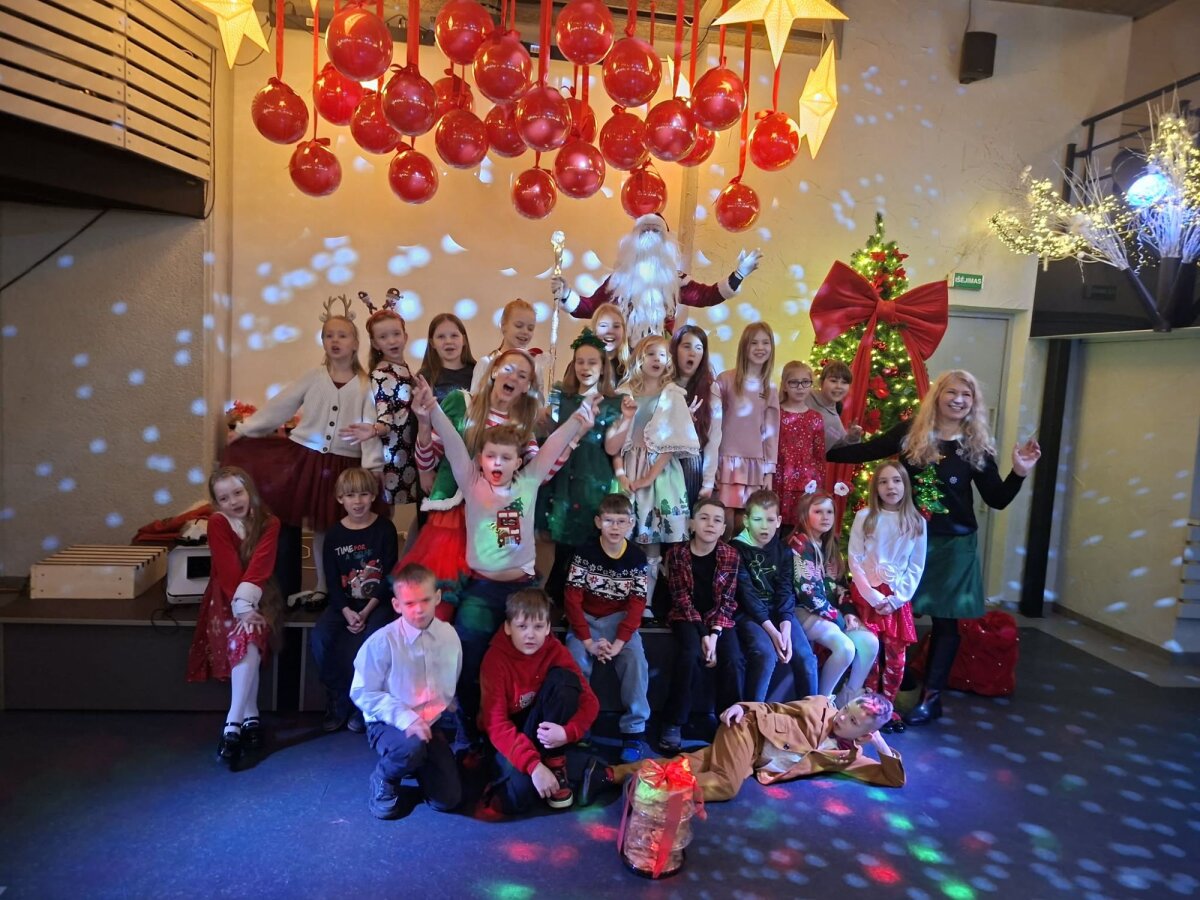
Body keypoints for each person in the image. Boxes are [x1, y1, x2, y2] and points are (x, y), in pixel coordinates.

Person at [828, 369, 1041, 726]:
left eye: (967, 395)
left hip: (954, 545)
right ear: (938, 396)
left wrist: (1019, 471)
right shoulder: (910, 434)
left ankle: (932, 698)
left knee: (945, 621)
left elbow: (997, 499)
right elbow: (860, 452)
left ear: (973, 403)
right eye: (952, 392)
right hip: (908, 542)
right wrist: (830, 439)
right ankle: (897, 679)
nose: (959, 400)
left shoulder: (975, 446)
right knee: (894, 610)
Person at [412, 375, 596, 730]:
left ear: (517, 462)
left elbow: (553, 446)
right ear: (480, 459)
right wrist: (432, 408)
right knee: (468, 651)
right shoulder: (472, 482)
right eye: (491, 456)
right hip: (482, 589)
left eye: (505, 458)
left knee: (533, 659)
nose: (497, 463)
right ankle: (469, 730)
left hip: (522, 589)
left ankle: (526, 726)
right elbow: (452, 442)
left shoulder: (528, 482)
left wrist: (579, 417)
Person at [225, 297, 382, 606]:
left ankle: (335, 586)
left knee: (334, 526)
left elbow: (369, 428)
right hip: (306, 461)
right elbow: (280, 406)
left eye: (342, 335)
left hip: (344, 465)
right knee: (311, 526)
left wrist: (372, 467)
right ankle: (306, 587)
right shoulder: (314, 377)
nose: (335, 341)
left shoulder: (367, 385)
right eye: (329, 335)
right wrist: (245, 430)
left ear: (355, 343)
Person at [401, 349, 542, 597]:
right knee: (442, 596)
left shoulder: (522, 427)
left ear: (527, 386)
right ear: (494, 371)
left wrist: (573, 436)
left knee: (485, 597)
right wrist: (423, 423)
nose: (513, 377)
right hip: (453, 515)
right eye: (508, 369)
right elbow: (429, 459)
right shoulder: (461, 402)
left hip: (493, 519)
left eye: (522, 376)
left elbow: (539, 471)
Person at [608, 693, 904, 802]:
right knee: (724, 785)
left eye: (852, 721)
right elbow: (774, 708)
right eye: (846, 709)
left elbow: (893, 778)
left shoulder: (848, 756)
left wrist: (879, 743)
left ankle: (614, 774)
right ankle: (649, 792)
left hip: (751, 758)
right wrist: (743, 706)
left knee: (689, 764)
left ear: (865, 735)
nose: (841, 717)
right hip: (747, 728)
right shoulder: (819, 707)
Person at [350, 564, 463, 819]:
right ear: (397, 605)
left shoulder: (449, 635)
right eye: (410, 603)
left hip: (429, 721)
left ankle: (416, 762)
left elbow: (451, 676)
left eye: (425, 600)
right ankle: (385, 777)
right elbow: (362, 692)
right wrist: (406, 718)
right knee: (410, 747)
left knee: (448, 800)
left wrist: (444, 706)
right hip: (388, 723)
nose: (419, 609)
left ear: (437, 597)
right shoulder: (382, 641)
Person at [187, 466, 281, 768]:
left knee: (250, 634)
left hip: (260, 593)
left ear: (249, 490)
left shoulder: (269, 522)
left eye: (238, 493)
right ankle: (248, 717)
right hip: (225, 598)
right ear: (217, 503)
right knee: (247, 637)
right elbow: (227, 569)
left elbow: (260, 566)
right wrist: (240, 606)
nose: (233, 502)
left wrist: (248, 603)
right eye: (224, 498)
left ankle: (234, 722)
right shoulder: (218, 522)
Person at [552, 213, 763, 345]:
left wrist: (739, 275)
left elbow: (707, 296)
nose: (650, 235)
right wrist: (566, 294)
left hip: (659, 358)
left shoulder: (675, 280)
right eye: (645, 230)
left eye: (656, 231)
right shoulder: (620, 280)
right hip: (622, 356)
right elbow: (591, 308)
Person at [480, 588, 600, 813]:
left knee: (565, 681)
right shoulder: (494, 660)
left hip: (544, 727)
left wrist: (568, 733)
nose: (530, 635)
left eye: (538, 626)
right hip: (511, 732)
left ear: (547, 628)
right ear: (508, 627)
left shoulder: (555, 650)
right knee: (514, 799)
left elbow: (590, 701)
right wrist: (533, 766)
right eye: (522, 626)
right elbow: (496, 724)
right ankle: (539, 766)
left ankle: (555, 761)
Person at [606, 335, 700, 610]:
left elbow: (672, 441)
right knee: (623, 533)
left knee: (652, 538)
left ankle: (645, 602)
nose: (657, 360)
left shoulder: (672, 394)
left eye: (662, 355)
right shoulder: (625, 392)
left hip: (659, 474)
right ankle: (619, 597)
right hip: (629, 469)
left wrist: (649, 476)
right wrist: (621, 474)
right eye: (650, 354)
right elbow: (616, 442)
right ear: (639, 359)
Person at [563, 493, 652, 762]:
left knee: (636, 661)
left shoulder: (636, 558)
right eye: (609, 521)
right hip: (586, 619)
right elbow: (572, 598)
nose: (615, 527)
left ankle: (634, 730)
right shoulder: (584, 553)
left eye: (621, 521)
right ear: (598, 522)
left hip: (619, 620)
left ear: (631, 524)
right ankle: (580, 724)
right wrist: (588, 641)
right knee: (575, 661)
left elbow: (637, 604)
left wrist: (619, 642)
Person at [537, 329, 623, 603]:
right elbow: (549, 431)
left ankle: (582, 599)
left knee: (588, 538)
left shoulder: (614, 402)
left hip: (593, 477)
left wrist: (628, 420)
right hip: (562, 475)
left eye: (592, 362)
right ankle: (554, 596)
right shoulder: (560, 395)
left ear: (603, 366)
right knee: (559, 539)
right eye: (580, 361)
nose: (585, 367)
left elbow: (612, 446)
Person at [312, 468, 399, 734]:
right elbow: (331, 579)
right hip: (344, 605)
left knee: (374, 640)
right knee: (320, 637)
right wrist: (347, 611)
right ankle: (338, 697)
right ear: (340, 499)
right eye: (350, 495)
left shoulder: (385, 529)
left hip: (377, 603)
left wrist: (366, 611)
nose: (358, 501)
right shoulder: (334, 535)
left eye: (363, 494)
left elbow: (389, 576)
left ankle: (366, 703)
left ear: (373, 496)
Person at [660, 497, 743, 755]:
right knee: (690, 655)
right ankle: (674, 721)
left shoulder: (730, 555)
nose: (710, 524)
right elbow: (681, 598)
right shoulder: (677, 554)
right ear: (692, 523)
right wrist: (702, 635)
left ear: (723, 528)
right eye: (704, 518)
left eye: (717, 520)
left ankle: (728, 720)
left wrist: (714, 635)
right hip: (686, 616)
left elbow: (727, 600)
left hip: (718, 617)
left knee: (733, 659)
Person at [846, 463, 926, 732]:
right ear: (876, 487)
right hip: (868, 596)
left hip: (896, 600)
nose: (890, 487)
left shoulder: (916, 522)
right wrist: (872, 596)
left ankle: (888, 709)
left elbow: (916, 566)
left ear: (905, 485)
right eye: (883, 482)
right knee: (869, 654)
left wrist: (897, 599)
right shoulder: (865, 517)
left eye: (896, 481)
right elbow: (855, 558)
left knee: (895, 658)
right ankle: (869, 708)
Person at [790, 489, 879, 702]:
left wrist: (848, 612)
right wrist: (838, 619)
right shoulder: (799, 544)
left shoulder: (830, 545)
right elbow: (807, 592)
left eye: (829, 512)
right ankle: (821, 703)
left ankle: (847, 698)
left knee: (870, 642)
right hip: (802, 612)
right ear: (804, 514)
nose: (825, 517)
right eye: (818, 511)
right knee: (845, 648)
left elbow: (840, 584)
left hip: (830, 614)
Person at [732, 490, 819, 702]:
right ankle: (752, 715)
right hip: (749, 613)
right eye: (757, 520)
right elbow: (747, 595)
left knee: (806, 657)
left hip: (778, 612)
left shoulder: (783, 550)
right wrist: (773, 632)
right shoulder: (736, 550)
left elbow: (785, 590)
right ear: (746, 520)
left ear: (779, 521)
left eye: (770, 520)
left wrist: (786, 628)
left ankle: (812, 714)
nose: (764, 526)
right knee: (766, 654)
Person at [339, 289, 418, 507]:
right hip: (392, 455)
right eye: (383, 337)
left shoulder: (404, 369)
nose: (392, 341)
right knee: (388, 511)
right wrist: (374, 430)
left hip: (409, 450)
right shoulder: (382, 375)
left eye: (396, 334)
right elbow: (385, 417)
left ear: (405, 336)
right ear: (375, 344)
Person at [714, 323, 780, 533]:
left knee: (744, 526)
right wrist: (711, 462)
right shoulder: (725, 380)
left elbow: (771, 433)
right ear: (744, 346)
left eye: (765, 343)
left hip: (754, 466)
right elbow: (713, 425)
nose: (760, 348)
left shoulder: (769, 388)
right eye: (754, 343)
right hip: (724, 462)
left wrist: (768, 472)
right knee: (723, 522)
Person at [671, 325, 721, 508]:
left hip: (692, 463)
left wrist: (708, 482)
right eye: (686, 346)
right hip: (662, 463)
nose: (692, 353)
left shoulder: (711, 389)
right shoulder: (662, 384)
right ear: (675, 349)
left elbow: (713, 438)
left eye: (698, 348)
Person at [775, 361, 827, 530]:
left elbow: (819, 455)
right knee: (777, 526)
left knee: (800, 529)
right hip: (779, 480)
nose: (800, 387)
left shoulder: (815, 417)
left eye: (805, 382)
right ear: (784, 386)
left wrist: (819, 486)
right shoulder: (776, 413)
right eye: (794, 382)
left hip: (806, 484)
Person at [470, 298, 546, 393]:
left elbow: (538, 400)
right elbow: (475, 398)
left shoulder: (534, 367)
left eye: (530, 328)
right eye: (519, 326)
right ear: (503, 325)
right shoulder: (486, 363)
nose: (525, 332)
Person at [418, 312, 477, 402]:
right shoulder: (424, 378)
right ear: (432, 343)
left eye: (454, 335)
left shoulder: (477, 373)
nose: (448, 341)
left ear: (464, 340)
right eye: (441, 337)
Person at [807, 360, 863, 453]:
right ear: (821, 382)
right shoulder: (805, 395)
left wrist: (852, 438)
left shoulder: (835, 423)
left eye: (844, 382)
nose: (839, 386)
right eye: (833, 381)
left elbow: (841, 444)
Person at [591, 303, 630, 384]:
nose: (609, 331)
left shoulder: (632, 366)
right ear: (594, 330)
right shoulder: (583, 362)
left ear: (623, 331)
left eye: (616, 326)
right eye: (603, 326)